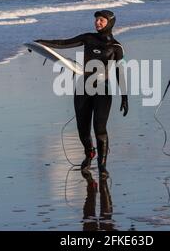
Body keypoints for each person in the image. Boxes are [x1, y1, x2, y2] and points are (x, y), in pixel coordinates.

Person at [35, 10, 128, 178]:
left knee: (99, 129)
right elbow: (63, 43)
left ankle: (102, 165)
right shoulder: (88, 38)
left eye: (101, 20)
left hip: (103, 90)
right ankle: (89, 154)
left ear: (110, 23)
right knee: (82, 130)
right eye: (96, 20)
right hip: (83, 88)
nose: (97, 23)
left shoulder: (116, 47)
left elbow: (120, 72)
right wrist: (40, 44)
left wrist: (124, 96)